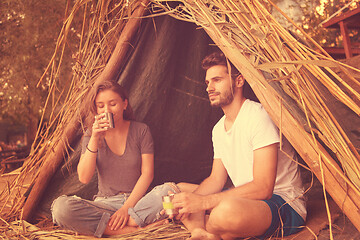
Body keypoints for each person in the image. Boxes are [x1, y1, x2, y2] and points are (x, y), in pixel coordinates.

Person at [171, 51, 307, 240]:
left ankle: (210, 227)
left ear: (239, 81)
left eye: (217, 80)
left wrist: (202, 203)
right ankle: (200, 232)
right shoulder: (218, 129)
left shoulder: (259, 116)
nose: (209, 87)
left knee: (224, 212)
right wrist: (189, 203)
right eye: (208, 82)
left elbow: (264, 187)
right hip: (246, 199)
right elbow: (215, 179)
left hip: (282, 202)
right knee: (179, 191)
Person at [51, 80, 179, 238]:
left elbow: (148, 174)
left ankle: (115, 226)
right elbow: (84, 177)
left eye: (112, 104)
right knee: (61, 208)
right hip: (105, 204)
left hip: (139, 202)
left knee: (169, 192)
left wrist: (126, 209)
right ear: (96, 109)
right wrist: (94, 137)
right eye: (101, 106)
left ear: (124, 104)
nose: (107, 110)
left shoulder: (141, 130)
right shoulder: (91, 135)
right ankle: (134, 230)